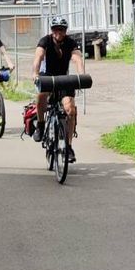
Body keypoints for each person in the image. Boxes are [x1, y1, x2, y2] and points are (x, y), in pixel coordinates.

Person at [31, 17, 85, 163]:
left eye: (61, 29)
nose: (58, 32)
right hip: (47, 76)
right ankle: (41, 125)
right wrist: (35, 74)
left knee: (70, 110)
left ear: (65, 31)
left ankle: (68, 146)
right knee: (41, 95)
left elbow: (77, 58)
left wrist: (82, 75)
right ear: (52, 30)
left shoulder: (70, 42)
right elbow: (39, 57)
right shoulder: (45, 41)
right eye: (55, 29)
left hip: (63, 78)